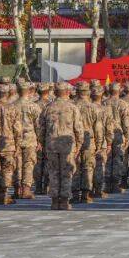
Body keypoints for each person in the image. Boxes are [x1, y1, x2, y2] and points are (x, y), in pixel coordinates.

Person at [40, 82, 84, 211]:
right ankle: (64, 201)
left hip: (51, 144)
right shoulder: (72, 108)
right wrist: (79, 144)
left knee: (53, 172)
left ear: (55, 92)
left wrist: (43, 143)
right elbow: (78, 128)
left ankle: (54, 201)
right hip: (67, 145)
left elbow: (41, 128)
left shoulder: (48, 108)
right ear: (67, 92)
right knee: (67, 172)